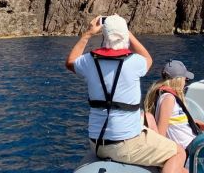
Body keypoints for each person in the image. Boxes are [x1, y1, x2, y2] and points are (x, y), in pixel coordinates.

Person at [65, 15, 187, 173]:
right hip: (125, 144)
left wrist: (88, 33)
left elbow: (70, 62)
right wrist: (127, 32)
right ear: (124, 35)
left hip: (97, 144)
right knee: (178, 153)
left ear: (104, 35)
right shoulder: (135, 62)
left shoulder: (89, 61)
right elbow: (148, 59)